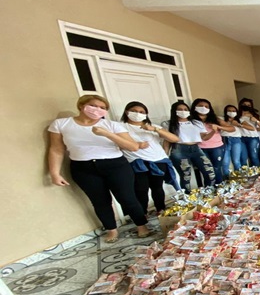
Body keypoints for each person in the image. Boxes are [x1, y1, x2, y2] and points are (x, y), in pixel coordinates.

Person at [47, 94, 152, 243]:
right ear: (82, 106)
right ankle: (111, 230)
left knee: (127, 197)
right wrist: (54, 173)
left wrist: (107, 134)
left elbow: (132, 146)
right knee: (100, 201)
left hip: (115, 165)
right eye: (93, 105)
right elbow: (56, 149)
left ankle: (142, 226)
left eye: (102, 108)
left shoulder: (112, 125)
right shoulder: (61, 124)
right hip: (83, 167)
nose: (97, 109)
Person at [119, 101, 181, 215]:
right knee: (141, 189)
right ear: (127, 112)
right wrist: (137, 144)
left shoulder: (153, 127)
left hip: (158, 160)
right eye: (134, 111)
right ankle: (142, 213)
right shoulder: (120, 127)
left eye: (141, 112)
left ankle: (161, 210)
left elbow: (175, 139)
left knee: (157, 187)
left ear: (146, 114)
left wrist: (155, 129)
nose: (138, 114)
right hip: (138, 162)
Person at [167, 101, 216, 190]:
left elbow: (204, 137)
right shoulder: (168, 124)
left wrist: (213, 131)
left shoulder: (196, 122)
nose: (183, 111)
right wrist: (165, 155)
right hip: (179, 149)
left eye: (185, 109)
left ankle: (209, 193)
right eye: (180, 109)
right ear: (174, 111)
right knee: (186, 176)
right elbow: (167, 141)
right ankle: (188, 199)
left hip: (196, 148)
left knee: (210, 173)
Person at [192, 98, 235, 185]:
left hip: (217, 147)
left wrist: (219, 127)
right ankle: (209, 189)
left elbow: (232, 128)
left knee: (216, 168)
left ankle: (219, 187)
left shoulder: (215, 119)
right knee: (206, 170)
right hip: (200, 148)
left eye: (206, 106)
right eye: (200, 106)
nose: (203, 108)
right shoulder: (191, 120)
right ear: (195, 107)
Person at [221, 105, 245, 177]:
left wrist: (238, 124)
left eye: (234, 111)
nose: (231, 112)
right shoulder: (221, 119)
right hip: (225, 139)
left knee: (236, 161)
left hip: (236, 140)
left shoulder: (239, 120)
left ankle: (239, 178)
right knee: (225, 162)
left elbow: (251, 128)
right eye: (229, 111)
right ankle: (227, 180)